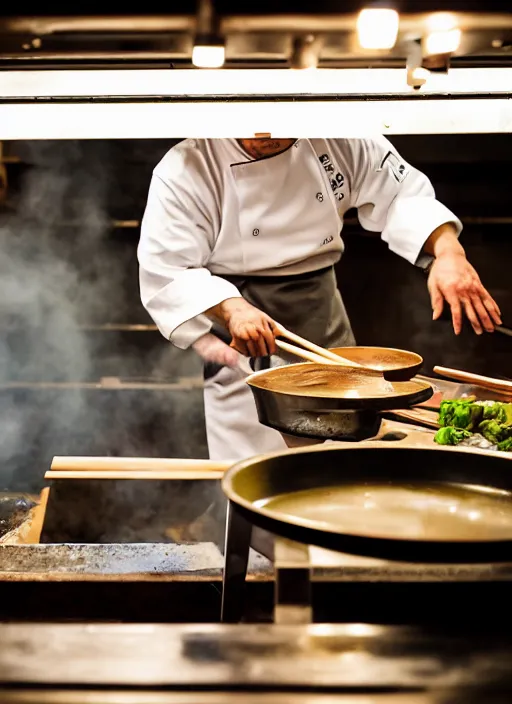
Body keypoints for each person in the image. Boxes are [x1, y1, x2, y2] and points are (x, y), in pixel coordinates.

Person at [138, 137, 501, 461]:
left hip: (323, 319)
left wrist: (448, 253)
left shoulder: (338, 135)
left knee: (342, 468)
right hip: (243, 340)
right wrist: (232, 309)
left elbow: (402, 194)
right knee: (259, 481)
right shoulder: (186, 167)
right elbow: (167, 266)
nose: (264, 134)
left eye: (278, 123)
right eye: (250, 124)